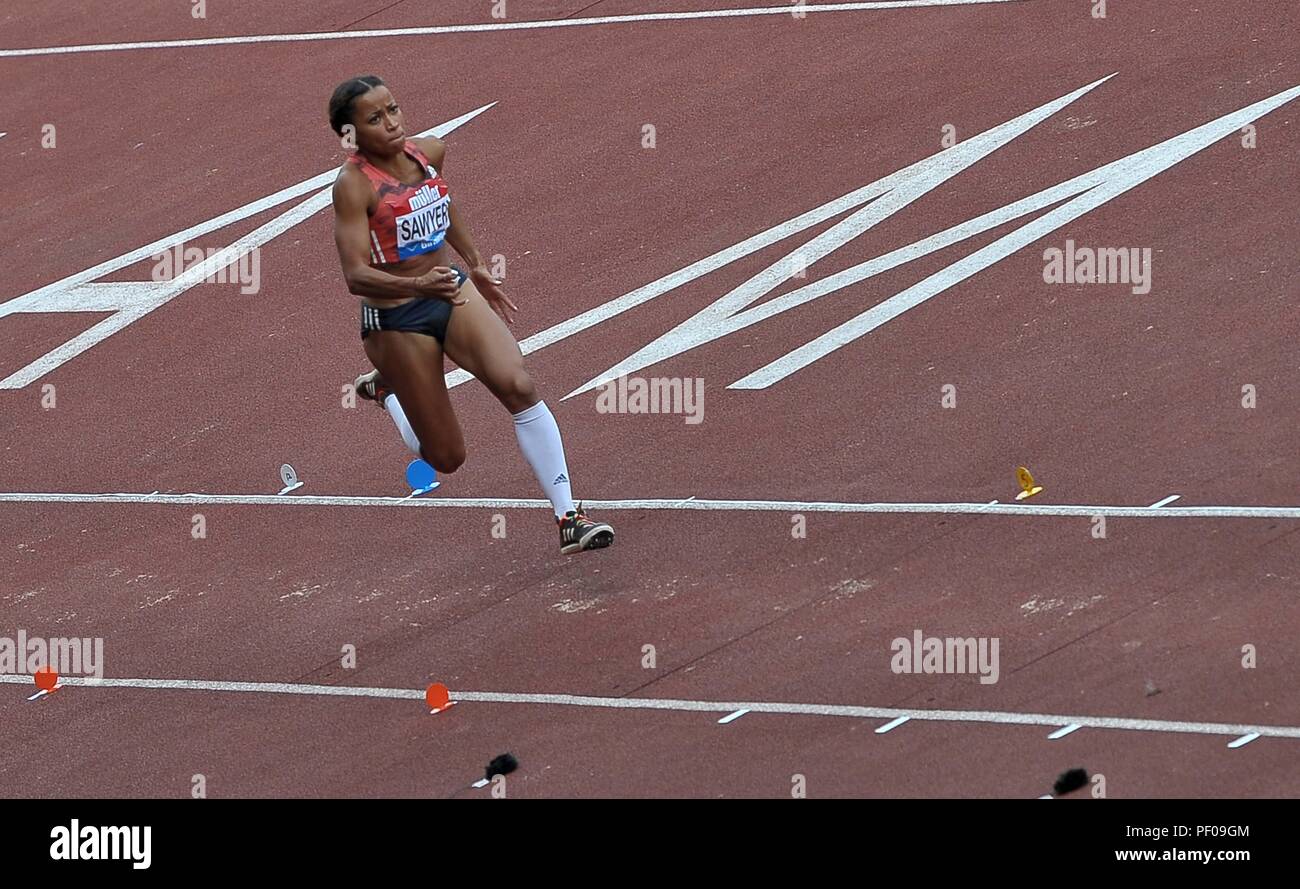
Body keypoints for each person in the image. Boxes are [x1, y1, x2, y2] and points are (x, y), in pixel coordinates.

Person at [328, 75, 613, 554]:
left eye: (393, 109)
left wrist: (475, 263)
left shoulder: (428, 151)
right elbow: (355, 275)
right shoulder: (353, 188)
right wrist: (416, 284)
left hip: (450, 292)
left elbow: (442, 199)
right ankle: (388, 390)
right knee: (447, 456)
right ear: (351, 136)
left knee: (518, 384)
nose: (392, 123)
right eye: (375, 119)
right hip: (396, 320)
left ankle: (569, 516)